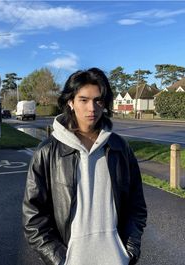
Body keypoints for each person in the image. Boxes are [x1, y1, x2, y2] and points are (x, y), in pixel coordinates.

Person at [22, 67, 147, 265]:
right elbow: (34, 217)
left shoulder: (120, 148)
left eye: (98, 100)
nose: (92, 108)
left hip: (117, 258)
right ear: (70, 102)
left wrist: (129, 250)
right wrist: (60, 260)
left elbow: (136, 205)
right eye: (84, 100)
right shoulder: (47, 151)